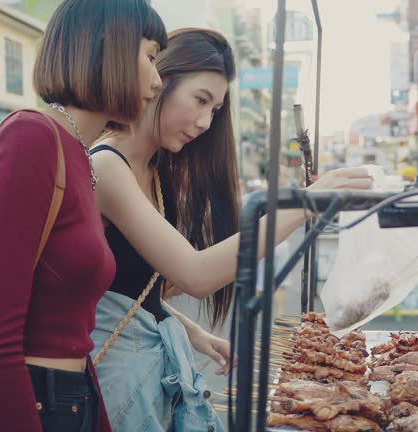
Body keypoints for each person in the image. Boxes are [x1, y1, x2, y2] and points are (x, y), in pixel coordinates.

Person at [89, 28, 372, 431]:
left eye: (215, 110)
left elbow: (126, 286)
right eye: (200, 100)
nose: (205, 122)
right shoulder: (106, 166)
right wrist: (304, 206)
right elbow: (195, 274)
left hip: (141, 371)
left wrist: (191, 332)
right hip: (114, 383)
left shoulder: (154, 171)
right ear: (160, 79)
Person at [0, 1, 166, 431]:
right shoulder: (31, 138)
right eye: (150, 56)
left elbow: (74, 332)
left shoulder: (78, 153)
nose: (159, 79)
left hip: (73, 400)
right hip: (32, 404)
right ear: (110, 47)